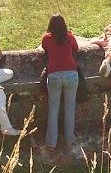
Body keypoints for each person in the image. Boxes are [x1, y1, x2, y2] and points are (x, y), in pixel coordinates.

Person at [41, 14, 79, 150]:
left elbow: (45, 49)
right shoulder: (69, 37)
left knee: (53, 109)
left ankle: (51, 143)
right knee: (70, 108)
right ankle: (70, 141)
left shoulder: (47, 38)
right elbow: (76, 48)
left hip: (54, 75)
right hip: (71, 74)